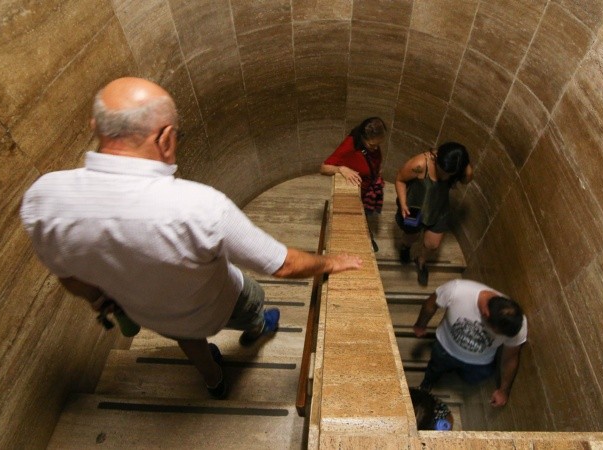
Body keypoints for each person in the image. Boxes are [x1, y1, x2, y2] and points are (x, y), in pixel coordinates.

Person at [20, 77, 362, 400]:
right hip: (219, 303)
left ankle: (214, 381)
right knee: (253, 304)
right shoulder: (199, 207)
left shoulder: (43, 198)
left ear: (96, 128)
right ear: (166, 137)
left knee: (189, 338)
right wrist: (332, 261)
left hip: (151, 315)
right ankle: (258, 328)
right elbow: (284, 265)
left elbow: (69, 277)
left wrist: (98, 297)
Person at [413, 279, 527, 408]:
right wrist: (420, 325)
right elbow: (431, 304)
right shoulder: (457, 290)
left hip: (479, 364)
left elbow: (510, 358)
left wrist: (504, 390)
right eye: (496, 333)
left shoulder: (516, 324)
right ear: (485, 315)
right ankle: (427, 384)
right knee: (434, 369)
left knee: (473, 379)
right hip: (445, 349)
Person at [395, 142, 472, 285]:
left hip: (438, 208)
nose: (444, 176)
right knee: (411, 236)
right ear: (436, 158)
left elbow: (467, 178)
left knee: (432, 245)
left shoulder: (456, 168)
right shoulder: (419, 164)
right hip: (415, 206)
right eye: (441, 170)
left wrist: (465, 163)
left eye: (449, 174)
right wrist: (403, 203)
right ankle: (406, 247)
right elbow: (400, 179)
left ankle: (421, 261)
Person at [320, 117, 386, 252]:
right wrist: (340, 169)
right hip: (356, 193)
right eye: (372, 145)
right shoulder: (349, 145)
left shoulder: (372, 146)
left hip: (369, 189)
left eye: (378, 145)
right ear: (362, 138)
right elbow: (323, 168)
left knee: (365, 215)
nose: (375, 148)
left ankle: (368, 235)